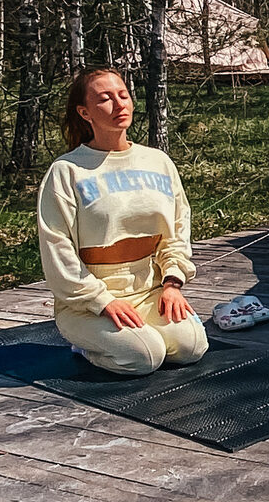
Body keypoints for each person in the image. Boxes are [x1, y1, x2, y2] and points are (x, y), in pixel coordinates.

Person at [37, 67, 210, 376]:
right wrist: (102, 302)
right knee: (145, 356)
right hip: (88, 303)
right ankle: (87, 345)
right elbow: (57, 250)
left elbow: (178, 228)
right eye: (105, 99)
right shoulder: (67, 171)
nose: (119, 105)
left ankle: (139, 335)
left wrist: (172, 283)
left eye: (123, 95)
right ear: (85, 112)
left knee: (191, 348)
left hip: (149, 291)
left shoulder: (157, 161)